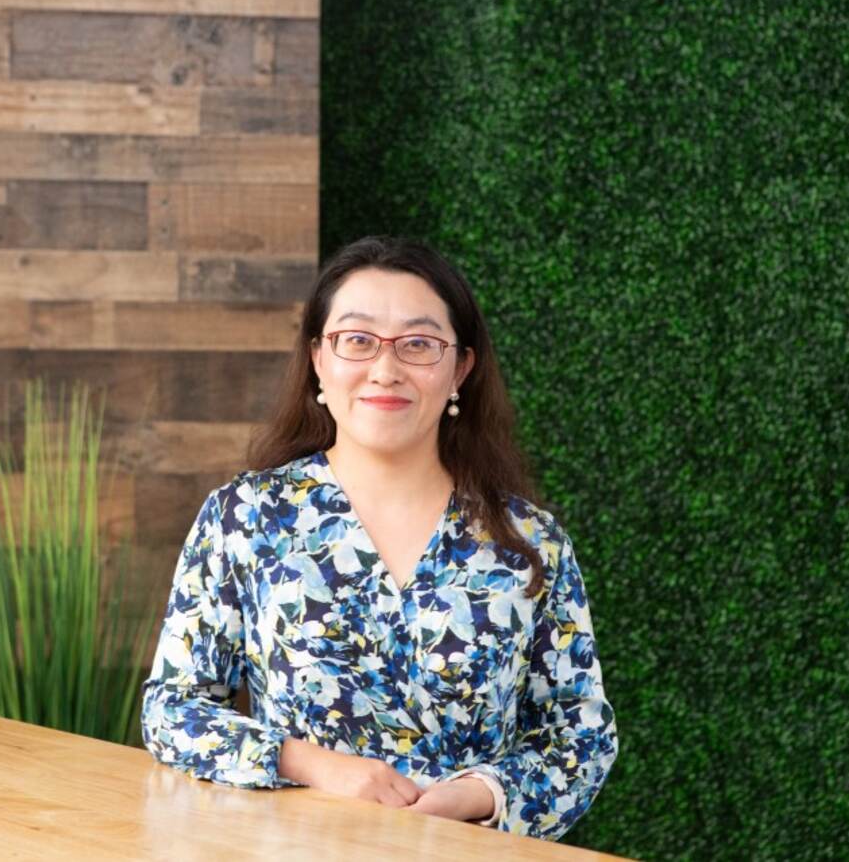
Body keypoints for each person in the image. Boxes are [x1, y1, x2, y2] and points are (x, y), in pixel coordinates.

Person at [140, 236, 618, 841]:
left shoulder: (531, 543)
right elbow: (174, 710)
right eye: (357, 341)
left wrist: (473, 796)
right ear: (319, 358)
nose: (386, 369)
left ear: (460, 369)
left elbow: (579, 735)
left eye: (419, 344)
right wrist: (316, 766)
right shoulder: (246, 517)